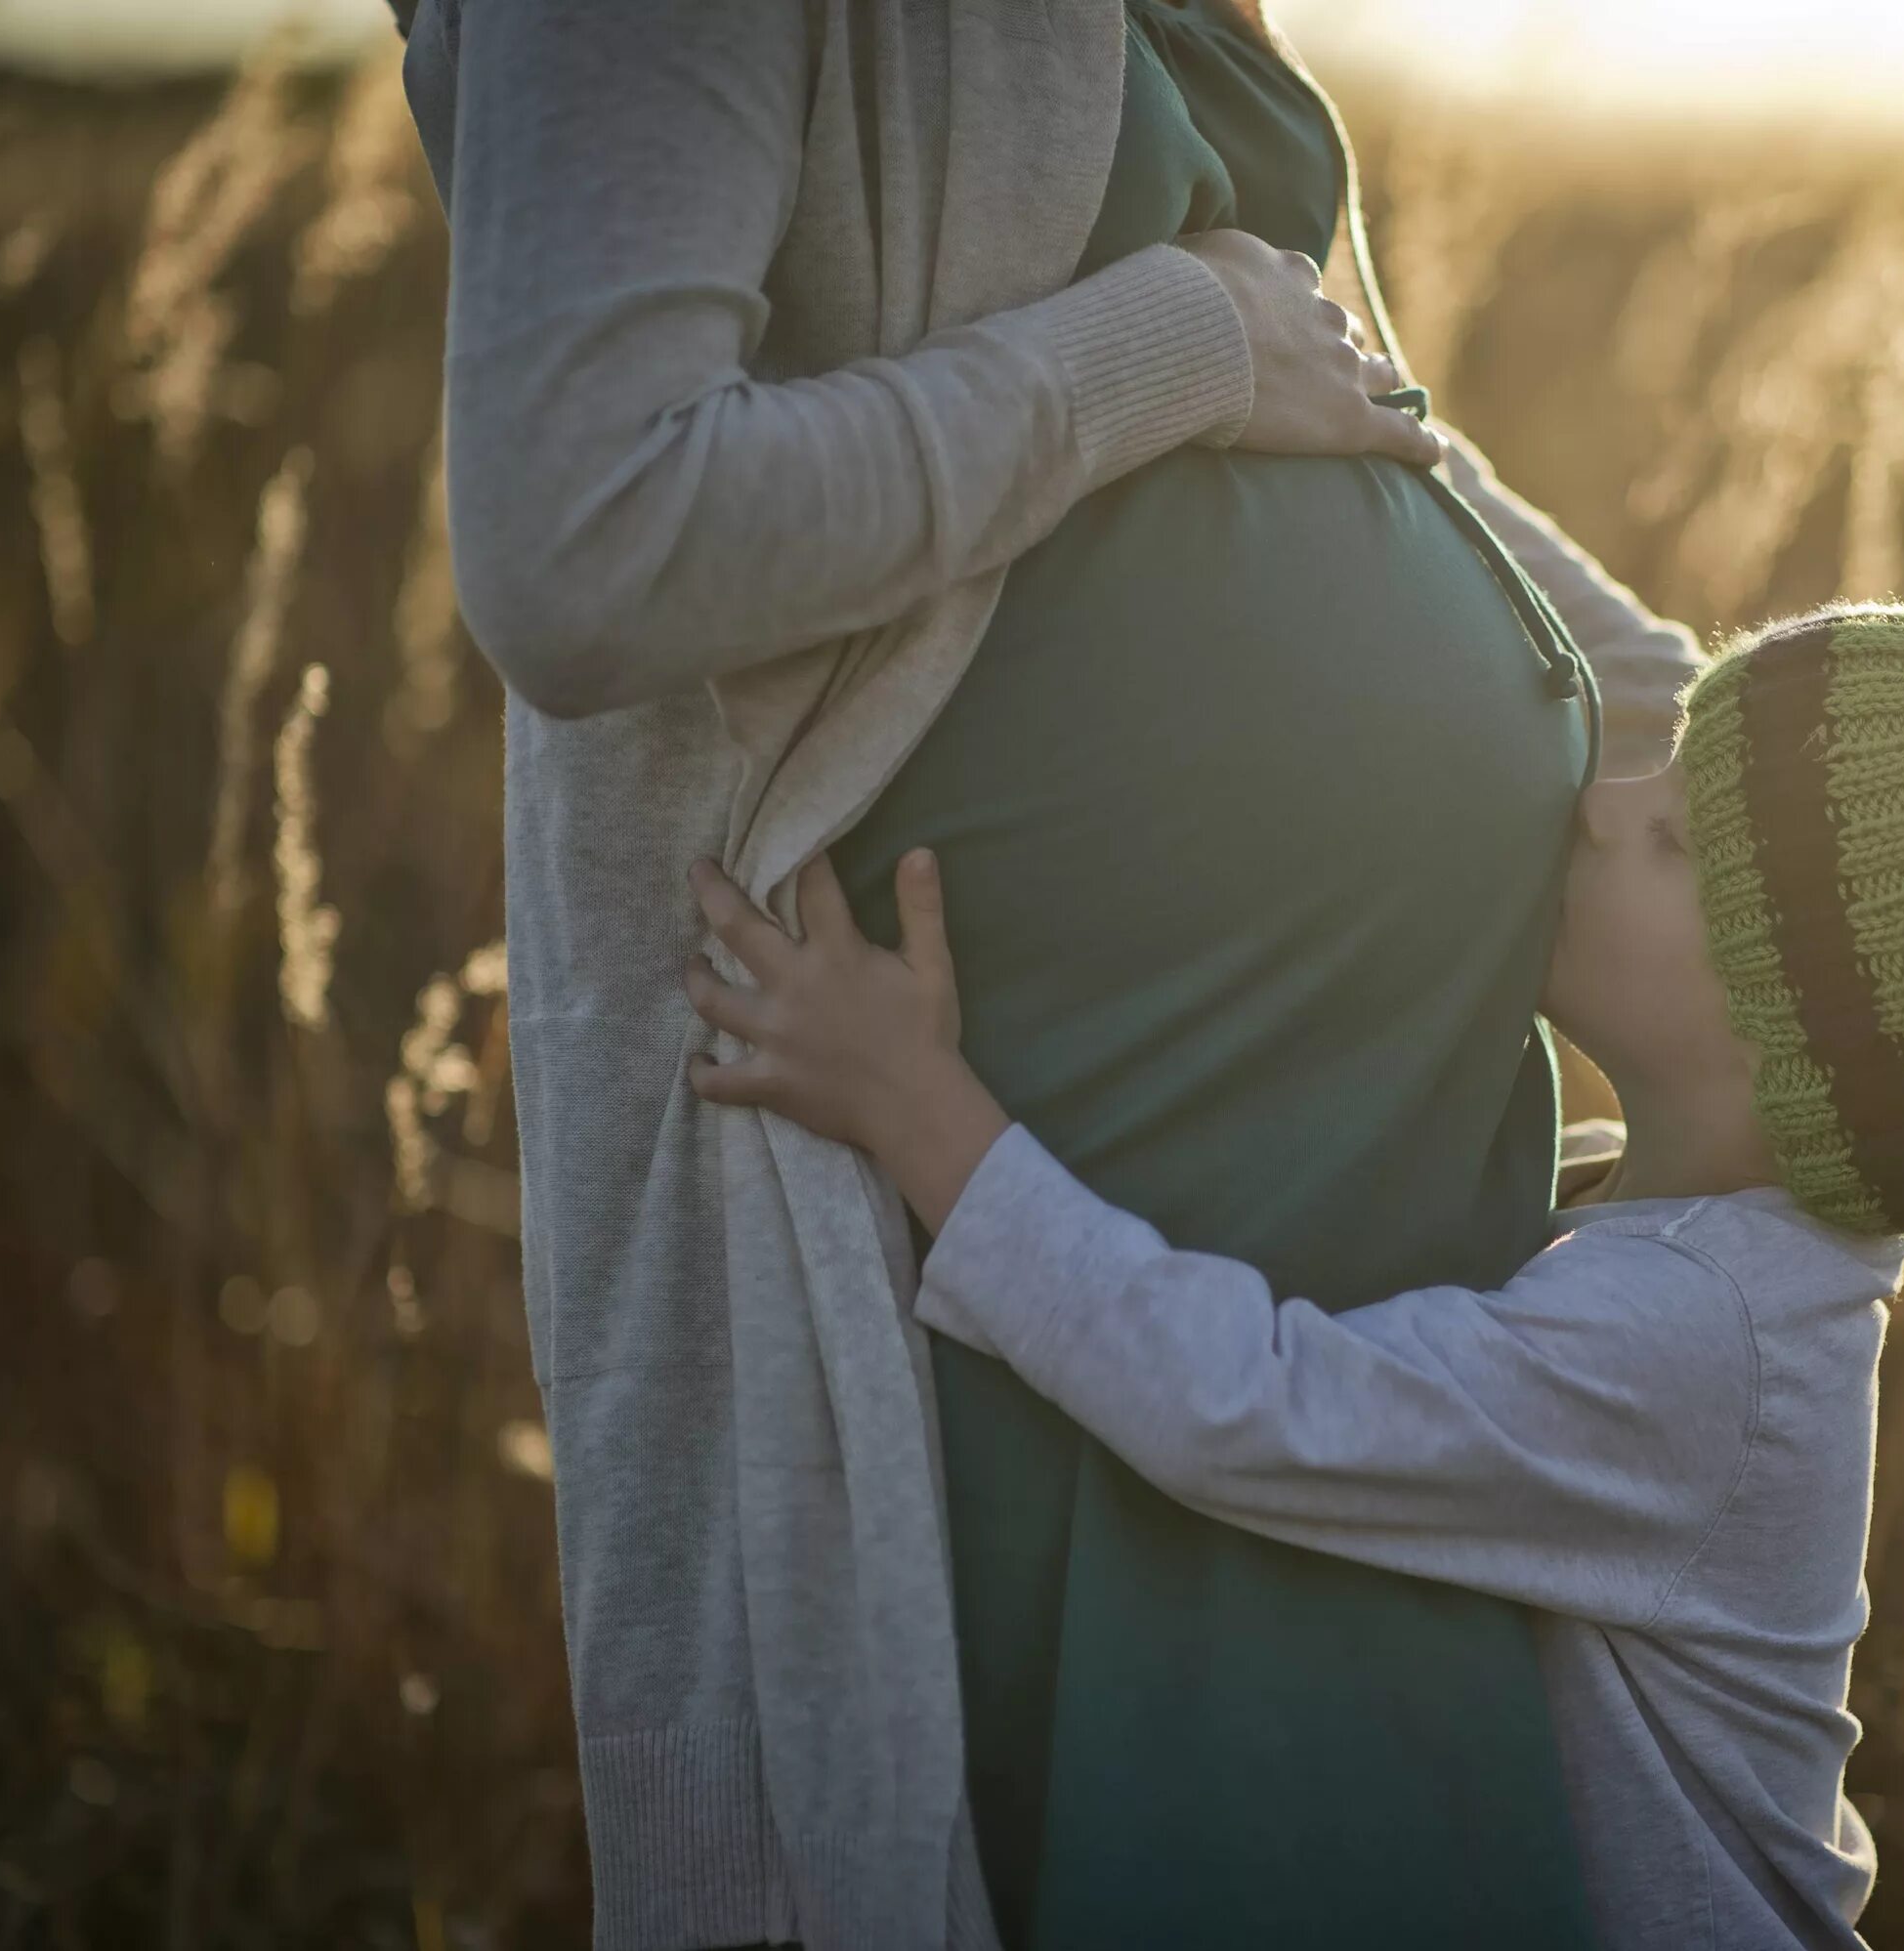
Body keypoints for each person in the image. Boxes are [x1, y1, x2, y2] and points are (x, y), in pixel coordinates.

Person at [398, 0, 1701, 1944]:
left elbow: (1344, 400)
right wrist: (1158, 352)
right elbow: (589, 536)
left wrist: (1761, 773)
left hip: (1345, 1314)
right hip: (1035, 1321)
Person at [681, 604, 1904, 1951]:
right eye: (1656, 770)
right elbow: (1576, 613)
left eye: (1673, 839)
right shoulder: (1723, 1233)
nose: (1602, 808)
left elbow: (1252, 1408)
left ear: (1800, 1057)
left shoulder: (1696, 1344)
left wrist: (921, 1113)